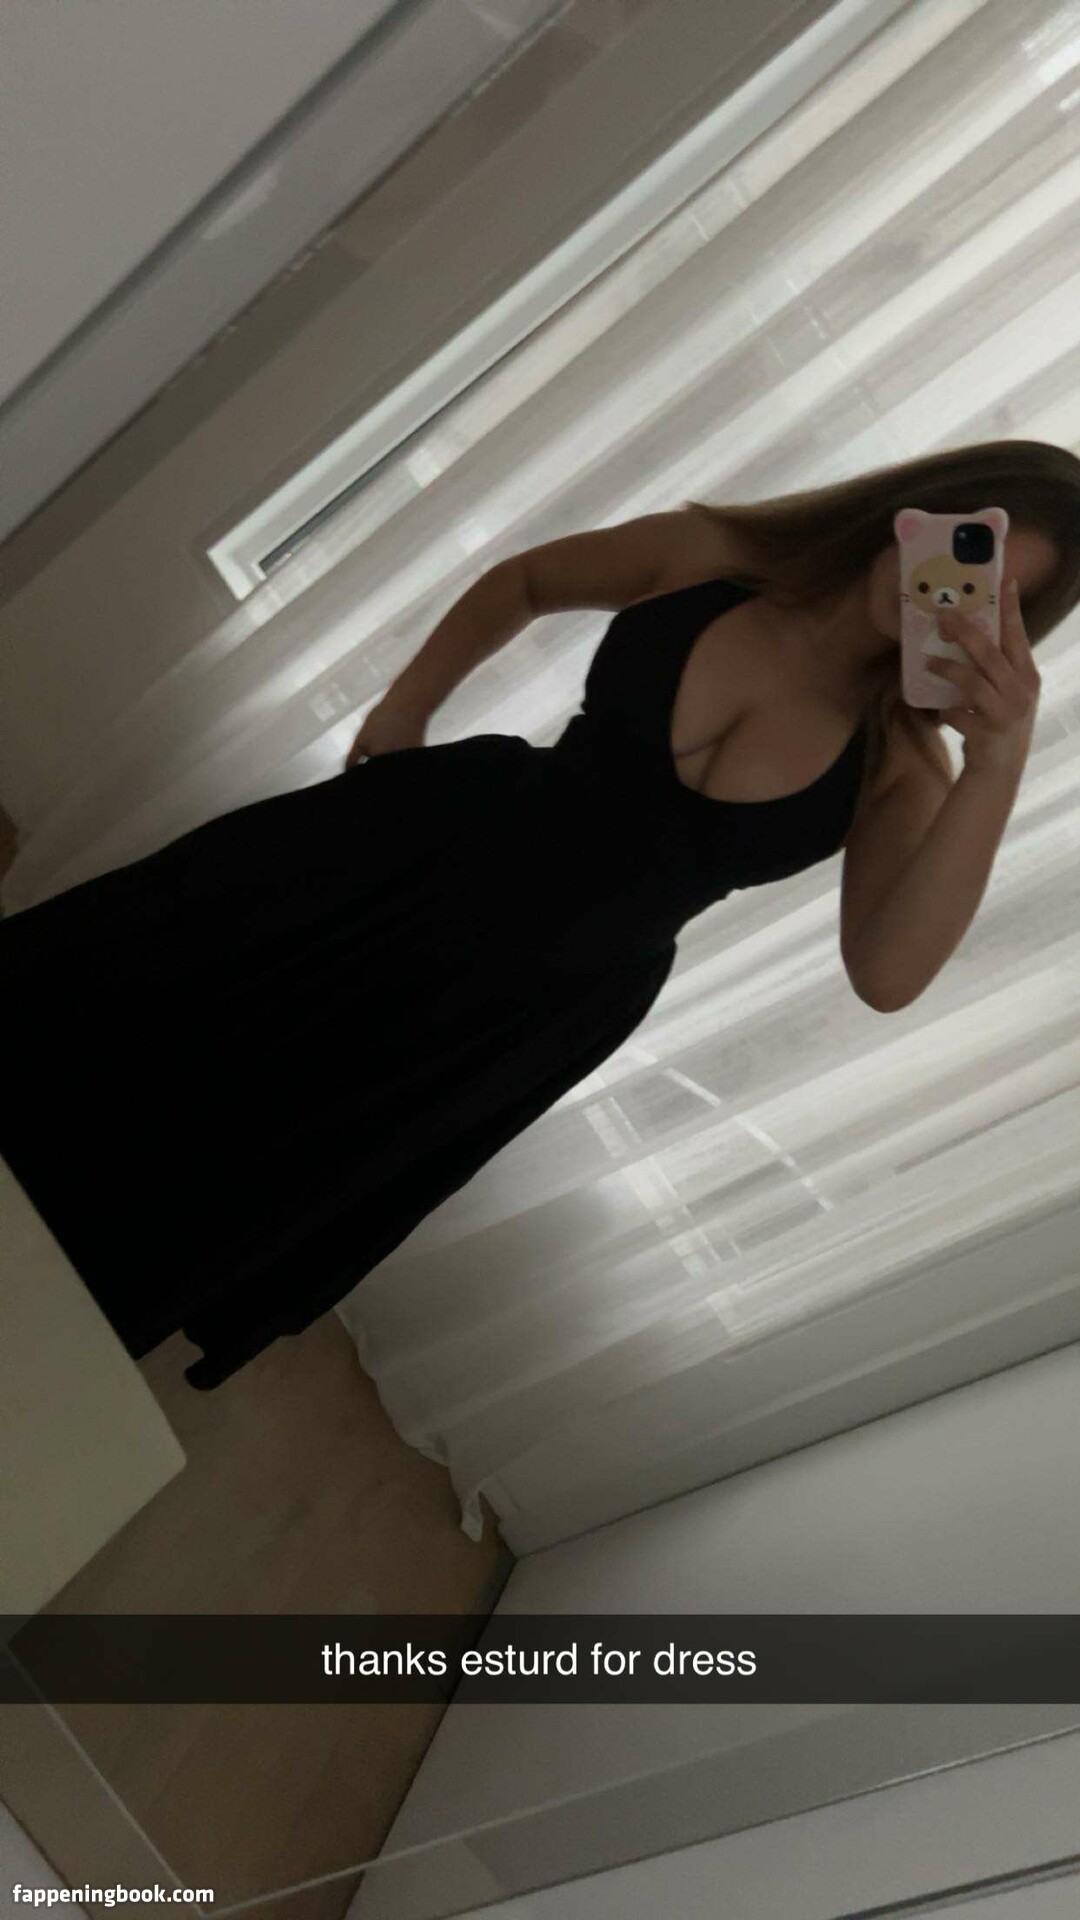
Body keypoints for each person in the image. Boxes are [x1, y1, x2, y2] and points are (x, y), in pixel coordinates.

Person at [2, 439, 1077, 1389]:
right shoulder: (714, 556)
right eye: (969, 562)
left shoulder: (902, 764)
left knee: (254, 1154)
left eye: (995, 608)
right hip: (416, 849)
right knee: (145, 988)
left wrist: (999, 760)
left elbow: (887, 975)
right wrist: (405, 707)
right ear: (924, 514)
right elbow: (525, 580)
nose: (950, 607)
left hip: (525, 1001)